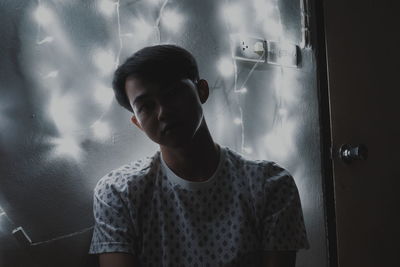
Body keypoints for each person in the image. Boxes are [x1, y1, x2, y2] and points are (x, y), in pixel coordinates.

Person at [88, 44, 310, 267]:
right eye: (146, 106)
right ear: (138, 123)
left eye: (172, 93)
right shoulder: (119, 192)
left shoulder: (270, 184)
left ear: (201, 90)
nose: (163, 112)